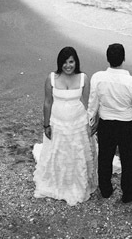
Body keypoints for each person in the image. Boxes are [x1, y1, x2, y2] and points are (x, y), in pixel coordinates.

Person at [33, 46, 98, 206]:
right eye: (64, 62)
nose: (68, 66)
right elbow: (47, 102)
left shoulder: (84, 78)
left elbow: (88, 104)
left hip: (78, 123)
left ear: (76, 62)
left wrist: (91, 123)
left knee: (76, 153)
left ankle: (77, 184)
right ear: (59, 63)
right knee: (58, 152)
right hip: (58, 123)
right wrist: (46, 124)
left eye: (71, 62)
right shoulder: (52, 78)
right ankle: (57, 184)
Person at [88, 43, 132, 203]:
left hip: (106, 124)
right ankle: (128, 193)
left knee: (105, 158)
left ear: (107, 58)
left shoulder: (98, 77)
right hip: (127, 125)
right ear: (124, 58)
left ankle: (105, 189)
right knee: (128, 160)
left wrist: (91, 119)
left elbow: (93, 102)